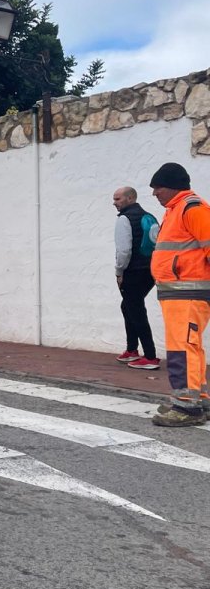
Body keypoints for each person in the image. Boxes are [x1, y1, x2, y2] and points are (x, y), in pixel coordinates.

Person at [148, 162, 210, 427]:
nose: (154, 193)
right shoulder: (176, 210)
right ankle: (199, 400)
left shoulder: (192, 208)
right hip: (179, 293)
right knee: (188, 347)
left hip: (188, 293)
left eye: (158, 187)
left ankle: (186, 408)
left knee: (182, 349)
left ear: (172, 186)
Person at [112, 186, 159, 369]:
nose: (114, 203)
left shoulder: (124, 219)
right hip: (150, 271)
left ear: (130, 198)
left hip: (133, 272)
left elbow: (124, 250)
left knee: (136, 310)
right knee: (128, 306)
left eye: (118, 199)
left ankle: (150, 356)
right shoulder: (150, 217)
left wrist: (119, 271)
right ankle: (132, 350)